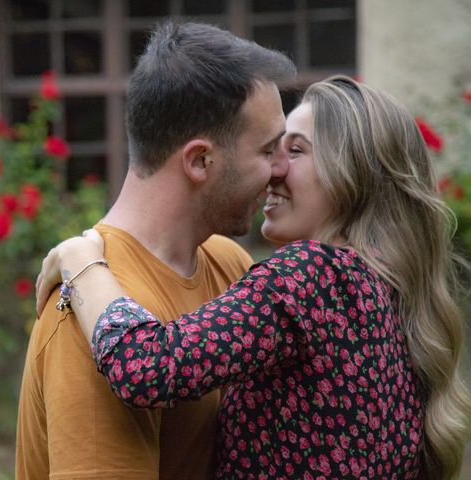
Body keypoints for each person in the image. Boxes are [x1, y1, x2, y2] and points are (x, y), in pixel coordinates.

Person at [35, 76, 471, 479]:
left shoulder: (312, 275)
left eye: (295, 151)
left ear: (351, 175)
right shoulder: (389, 290)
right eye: (272, 150)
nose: (273, 170)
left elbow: (146, 368)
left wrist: (81, 259)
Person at [15, 21, 296, 479]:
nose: (282, 168)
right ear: (200, 160)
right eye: (268, 150)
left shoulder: (230, 263)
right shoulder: (91, 317)